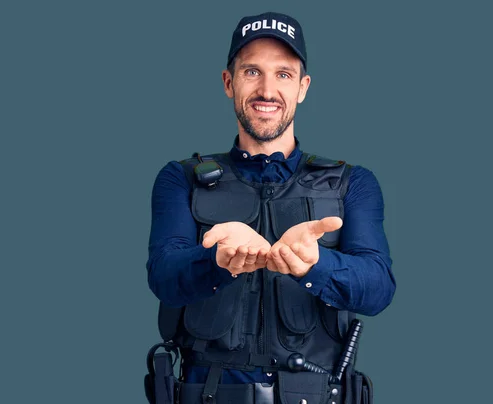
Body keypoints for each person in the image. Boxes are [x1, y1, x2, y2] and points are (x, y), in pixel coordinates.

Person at [145, 11, 396, 404]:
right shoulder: (181, 178)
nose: (267, 90)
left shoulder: (353, 183)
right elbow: (163, 275)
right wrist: (218, 259)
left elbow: (378, 288)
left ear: (303, 87)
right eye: (252, 72)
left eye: (283, 74)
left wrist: (316, 264)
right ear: (229, 82)